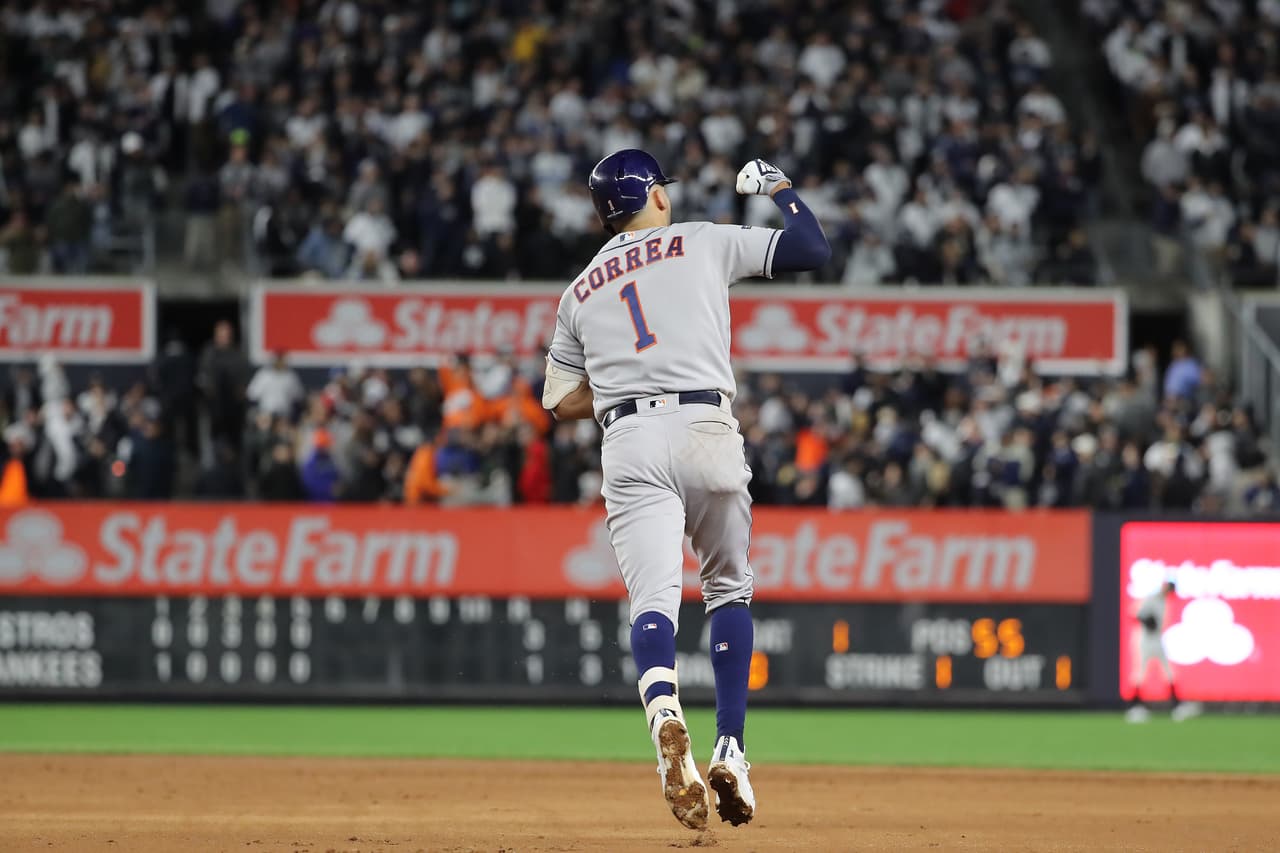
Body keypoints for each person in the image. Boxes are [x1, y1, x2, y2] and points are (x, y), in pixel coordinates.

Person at [543, 150, 829, 830]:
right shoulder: (702, 238)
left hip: (629, 438)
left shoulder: (579, 291)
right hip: (704, 423)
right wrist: (780, 187)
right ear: (657, 197)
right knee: (727, 587)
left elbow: (556, 400)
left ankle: (666, 716)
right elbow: (811, 249)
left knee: (653, 599)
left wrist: (621, 387)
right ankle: (731, 745)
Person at [1127, 581, 1200, 722]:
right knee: (1140, 673)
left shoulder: (1164, 601)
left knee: (1169, 672)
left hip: (1157, 639)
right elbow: (1135, 613)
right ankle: (1135, 707)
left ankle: (1177, 705)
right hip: (1144, 639)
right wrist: (1148, 621)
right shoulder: (1151, 598)